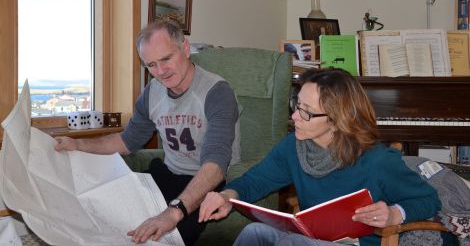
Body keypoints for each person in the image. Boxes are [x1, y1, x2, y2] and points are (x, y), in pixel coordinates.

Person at [199, 68, 441, 246]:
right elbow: (256, 181)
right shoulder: (293, 147)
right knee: (254, 233)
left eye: (306, 112)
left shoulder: (377, 160)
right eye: (297, 105)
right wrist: (227, 197)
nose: (294, 117)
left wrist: (394, 213)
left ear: (336, 120)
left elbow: (428, 199)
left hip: (356, 244)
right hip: (312, 238)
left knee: (290, 245)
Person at [55, 19, 240, 246]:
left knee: (166, 239)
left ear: (185, 48)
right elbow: (127, 141)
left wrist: (173, 211)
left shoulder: (216, 92)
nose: (160, 72)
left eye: (166, 59)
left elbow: (216, 164)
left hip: (211, 183)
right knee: (113, 219)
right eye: (151, 65)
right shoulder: (153, 92)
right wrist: (78, 145)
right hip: (169, 174)